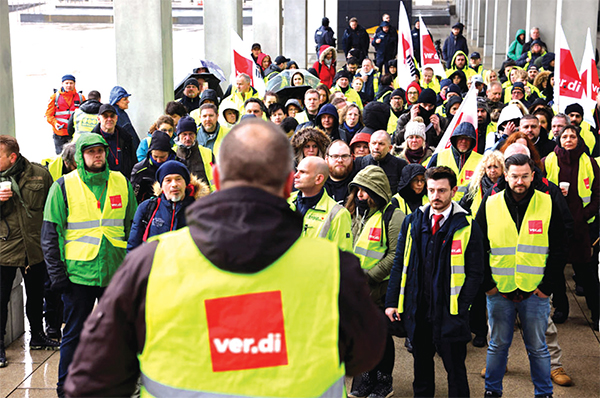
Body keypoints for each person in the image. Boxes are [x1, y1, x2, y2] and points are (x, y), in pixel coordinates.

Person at [63, 118, 386, 397]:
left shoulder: (151, 264)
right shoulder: (334, 268)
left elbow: (92, 382)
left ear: (215, 179)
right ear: (289, 182)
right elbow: (366, 354)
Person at [41, 133, 137, 397]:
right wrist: (57, 275)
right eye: (91, 151)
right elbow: (51, 234)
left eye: (101, 151)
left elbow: (133, 227)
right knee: (74, 334)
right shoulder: (62, 186)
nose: (97, 155)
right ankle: (66, 388)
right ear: (80, 156)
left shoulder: (121, 182)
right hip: (78, 275)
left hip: (115, 272)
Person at [385, 166, 484, 398]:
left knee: (455, 369)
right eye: (431, 190)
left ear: (454, 190)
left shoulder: (468, 226)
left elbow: (476, 272)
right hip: (419, 309)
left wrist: (461, 306)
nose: (435, 196)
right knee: (421, 366)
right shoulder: (412, 221)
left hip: (449, 311)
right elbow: (399, 263)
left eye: (441, 190)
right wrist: (392, 302)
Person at [476, 153, 568, 398]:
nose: (519, 181)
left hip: (535, 291)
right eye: (514, 176)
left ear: (533, 176)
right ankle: (492, 392)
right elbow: (477, 247)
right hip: (499, 291)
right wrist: (488, 285)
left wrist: (547, 287)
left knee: (538, 348)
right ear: (505, 176)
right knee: (497, 347)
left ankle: (544, 393)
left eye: (525, 176)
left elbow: (559, 247)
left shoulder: (547, 202)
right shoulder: (490, 203)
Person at [345, 165, 405, 398]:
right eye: (357, 189)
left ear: (378, 190)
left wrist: (368, 277)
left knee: (381, 336)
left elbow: (394, 255)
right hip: (358, 290)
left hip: (380, 290)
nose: (360, 194)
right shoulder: (356, 212)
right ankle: (366, 378)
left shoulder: (393, 215)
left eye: (365, 190)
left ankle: (383, 381)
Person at [0, 136, 59, 368]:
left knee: (36, 295)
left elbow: (52, 209)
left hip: (34, 247)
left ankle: (37, 335)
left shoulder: (40, 174)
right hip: (4, 248)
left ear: (12, 157)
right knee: (0, 299)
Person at [543, 125, 599, 328]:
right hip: (555, 226)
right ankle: (561, 309)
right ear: (559, 139)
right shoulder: (548, 161)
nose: (568, 139)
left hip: (580, 227)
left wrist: (585, 214)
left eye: (572, 136)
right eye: (564, 136)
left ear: (578, 139)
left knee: (586, 272)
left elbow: (597, 192)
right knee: (556, 273)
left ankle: (597, 312)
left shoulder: (589, 162)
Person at [127, 161, 209, 251]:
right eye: (168, 180)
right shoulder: (147, 208)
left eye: (178, 179)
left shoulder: (200, 209)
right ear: (161, 185)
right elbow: (133, 247)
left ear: (186, 183)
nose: (174, 184)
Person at [289, 156, 353, 251]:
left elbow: (343, 258)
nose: (295, 175)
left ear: (318, 179)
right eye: (297, 170)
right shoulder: (286, 200)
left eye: (303, 172)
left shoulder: (337, 214)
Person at [428, 122, 484, 202]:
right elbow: (427, 181)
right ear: (455, 139)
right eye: (461, 138)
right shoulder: (439, 156)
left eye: (467, 139)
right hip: (444, 206)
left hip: (470, 210)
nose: (464, 141)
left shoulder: (482, 160)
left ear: (472, 141)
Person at [130, 131, 180, 204]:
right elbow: (134, 198)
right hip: (149, 208)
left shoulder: (179, 165)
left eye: (162, 157)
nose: (158, 160)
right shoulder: (140, 169)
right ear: (150, 152)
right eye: (155, 157)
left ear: (169, 153)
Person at [90, 104, 137, 179]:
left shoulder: (125, 137)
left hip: (123, 181)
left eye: (112, 116)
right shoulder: (92, 139)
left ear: (116, 118)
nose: (109, 119)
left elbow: (133, 161)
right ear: (98, 119)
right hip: (102, 181)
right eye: (105, 116)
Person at [45, 74, 85, 154]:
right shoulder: (55, 97)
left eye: (71, 83)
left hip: (74, 133)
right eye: (66, 83)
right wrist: (55, 123)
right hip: (60, 134)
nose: (69, 85)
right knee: (60, 157)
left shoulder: (81, 98)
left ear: (74, 84)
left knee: (76, 155)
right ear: (62, 84)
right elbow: (49, 115)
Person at [174, 115, 215, 191]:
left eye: (191, 134)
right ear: (178, 135)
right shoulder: (172, 153)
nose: (188, 138)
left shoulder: (207, 153)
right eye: (184, 134)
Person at [324, 140, 356, 204]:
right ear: (326, 159)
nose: (340, 160)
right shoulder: (318, 185)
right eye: (335, 156)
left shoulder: (358, 185)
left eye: (344, 156)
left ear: (352, 158)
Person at [109, 86, 140, 150]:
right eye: (125, 99)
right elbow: (131, 138)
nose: (128, 101)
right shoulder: (119, 116)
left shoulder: (119, 113)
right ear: (116, 101)